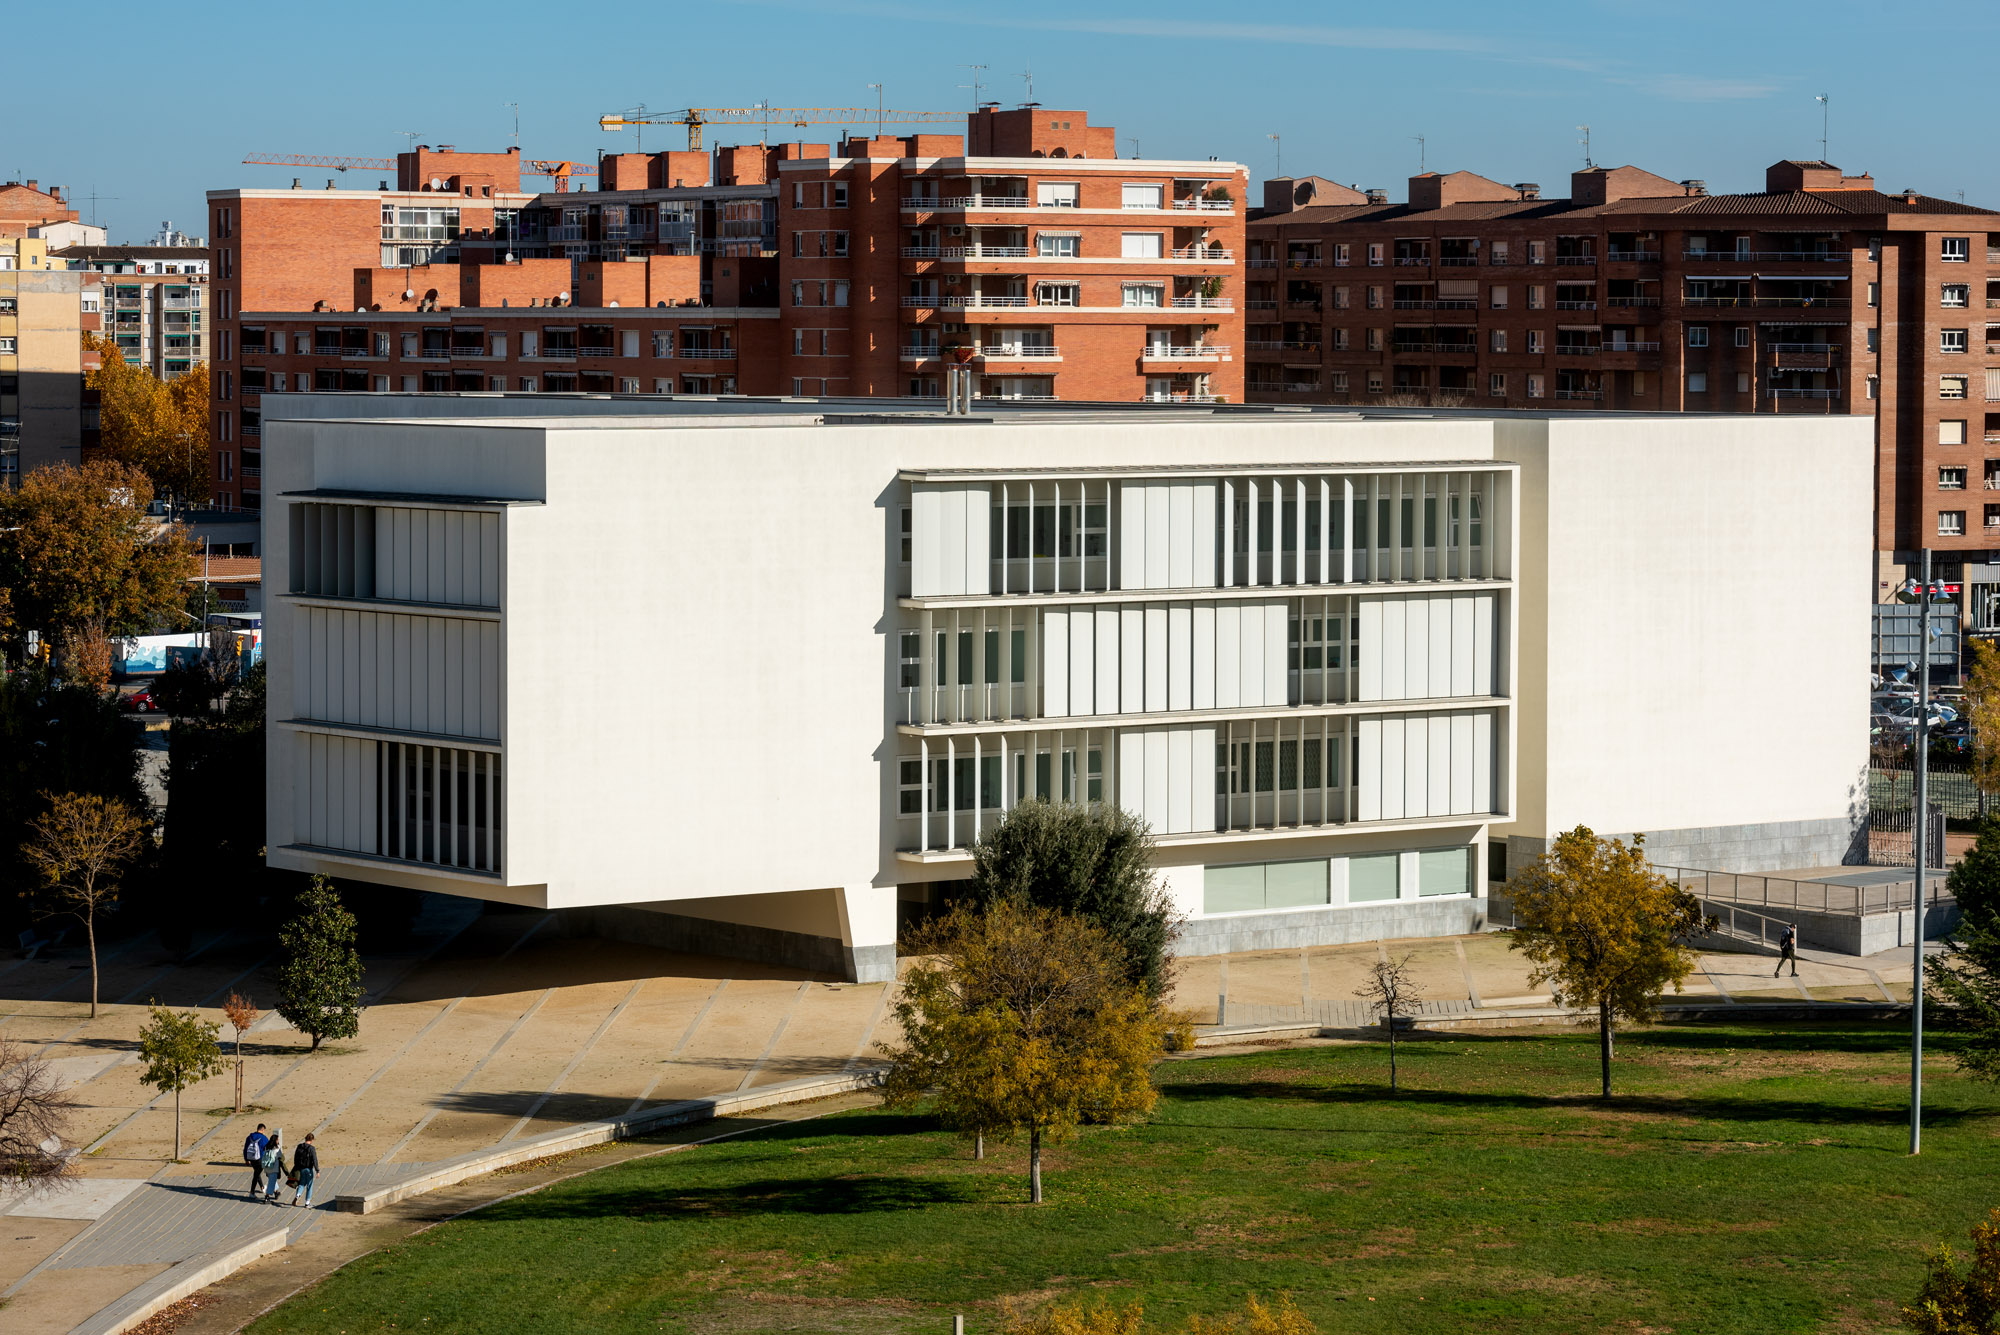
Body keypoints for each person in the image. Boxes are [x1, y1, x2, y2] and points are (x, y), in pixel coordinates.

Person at [290, 1133, 320, 1208]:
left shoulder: (299, 1146)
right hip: (309, 1169)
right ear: (312, 1140)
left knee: (301, 1184)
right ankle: (307, 1202)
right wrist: (317, 1170)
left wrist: (296, 1167)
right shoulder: (311, 1148)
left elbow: (295, 1157)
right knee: (309, 1185)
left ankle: (297, 1195)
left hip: (301, 1168)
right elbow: (314, 1159)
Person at [242, 1124, 270, 1199]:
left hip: (251, 1158)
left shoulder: (249, 1137)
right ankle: (252, 1192)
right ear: (263, 1129)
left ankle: (262, 1187)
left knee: (257, 1173)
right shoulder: (263, 1138)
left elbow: (245, 1149)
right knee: (256, 1174)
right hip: (260, 1159)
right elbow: (268, 1148)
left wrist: (246, 1159)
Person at [260, 1129, 289, 1203]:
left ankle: (276, 1192)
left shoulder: (267, 1147)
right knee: (271, 1183)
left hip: (267, 1167)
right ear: (276, 1140)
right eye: (278, 1139)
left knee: (272, 1180)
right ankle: (267, 1197)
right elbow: (281, 1158)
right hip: (274, 1167)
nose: (278, 1141)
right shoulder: (276, 1148)